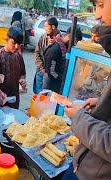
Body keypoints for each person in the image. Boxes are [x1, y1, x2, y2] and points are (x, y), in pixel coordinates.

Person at [64, 0, 111, 179]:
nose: (97, 15)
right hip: (85, 163)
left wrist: (78, 117)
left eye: (101, 4)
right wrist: (102, 103)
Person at [0, 27, 26, 109]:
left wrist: (22, 80)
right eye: (14, 43)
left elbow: (22, 73)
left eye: (19, 44)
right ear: (7, 39)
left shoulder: (19, 56)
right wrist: (0, 93)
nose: (16, 47)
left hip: (14, 99)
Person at [33, 17, 60, 94]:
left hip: (52, 74)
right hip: (41, 70)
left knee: (49, 96)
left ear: (53, 27)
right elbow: (37, 52)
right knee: (39, 94)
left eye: (46, 26)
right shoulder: (43, 37)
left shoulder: (61, 39)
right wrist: (42, 68)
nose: (45, 29)